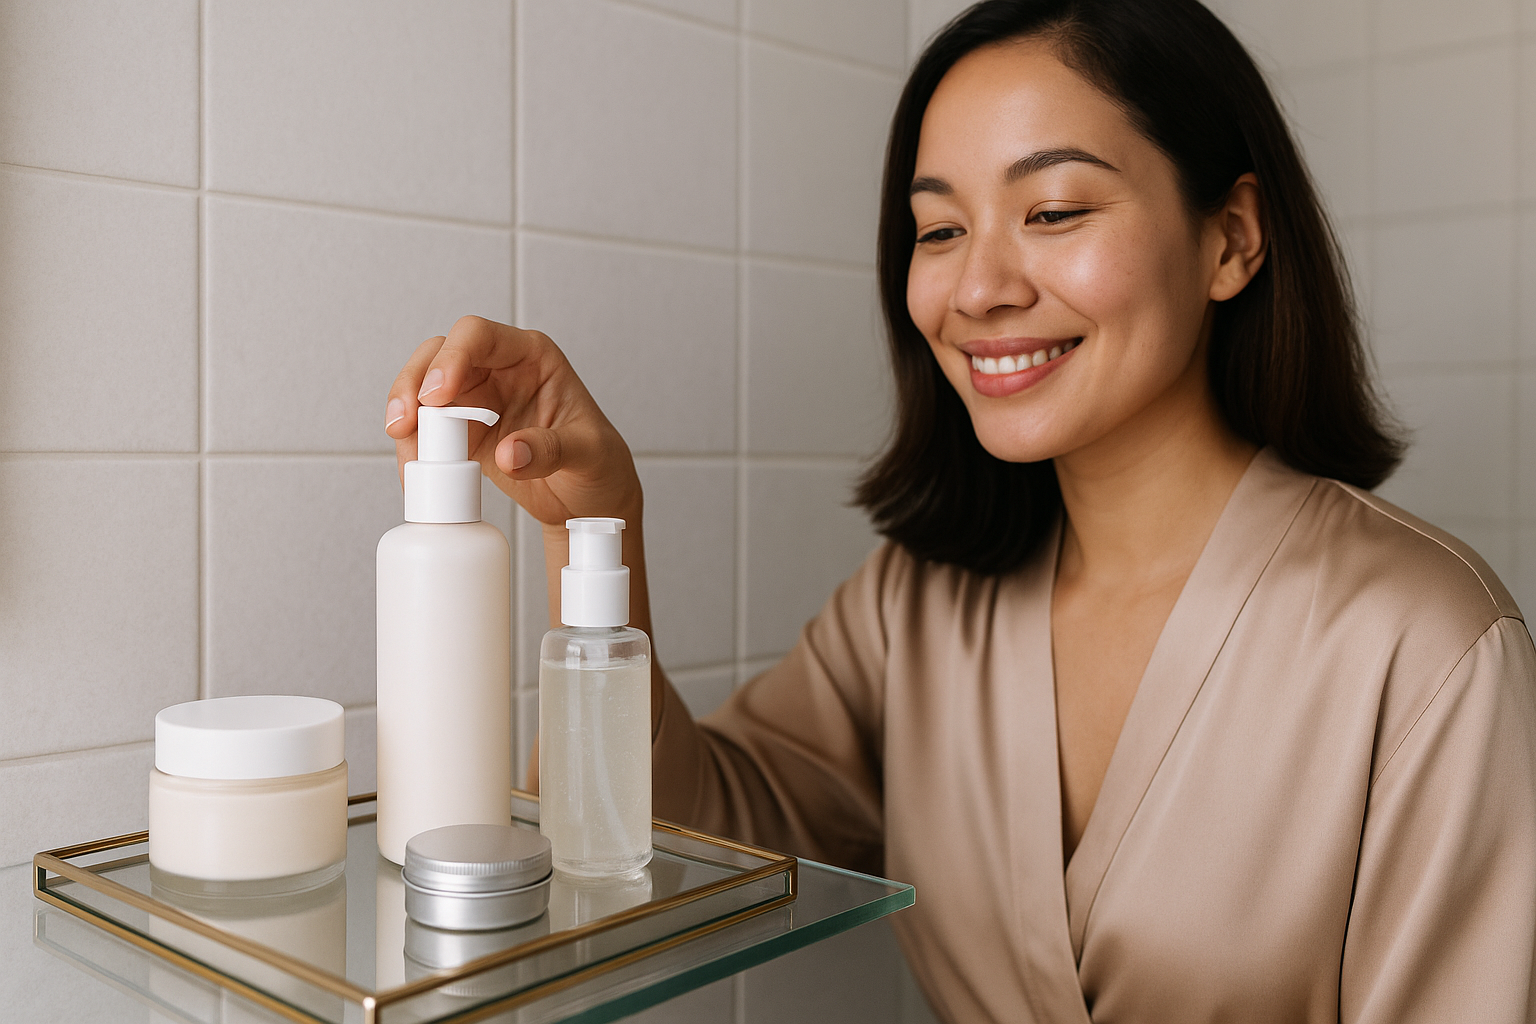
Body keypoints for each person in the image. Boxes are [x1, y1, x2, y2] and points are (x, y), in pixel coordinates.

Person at [383, 1, 1536, 1020]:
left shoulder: (1427, 645)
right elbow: (670, 840)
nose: (978, 288)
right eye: (939, 230)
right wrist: (592, 525)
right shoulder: (916, 605)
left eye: (1055, 210)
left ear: (1231, 237)